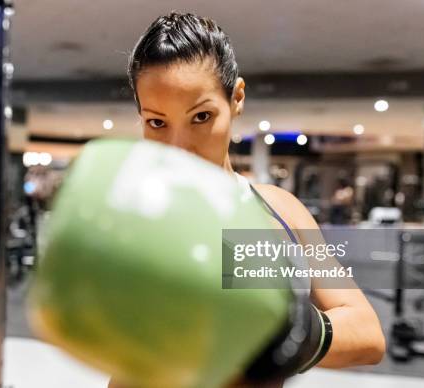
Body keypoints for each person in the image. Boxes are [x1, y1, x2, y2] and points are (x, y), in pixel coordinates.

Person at [111, 11, 385, 387]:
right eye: (157, 122)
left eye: (201, 116)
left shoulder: (280, 209)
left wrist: (286, 333)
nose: (179, 148)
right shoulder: (135, 225)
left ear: (236, 99)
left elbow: (367, 332)